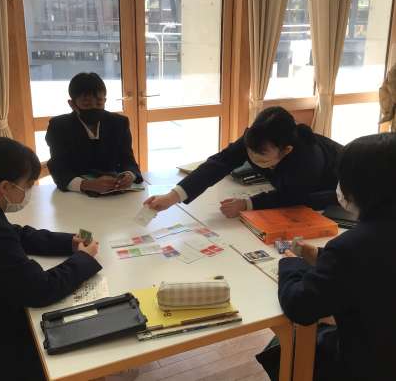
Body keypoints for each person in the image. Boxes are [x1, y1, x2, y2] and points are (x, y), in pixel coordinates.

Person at [258, 133, 396, 381]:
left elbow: (301, 307)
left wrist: (291, 262)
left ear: (360, 187)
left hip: (366, 363)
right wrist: (321, 256)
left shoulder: (350, 246)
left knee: (287, 344)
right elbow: (376, 265)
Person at [0, 137, 102, 381]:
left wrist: (69, 241)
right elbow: (39, 290)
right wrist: (84, 259)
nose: (29, 192)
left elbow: (17, 233)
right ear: (5, 187)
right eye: (27, 184)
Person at [144, 106, 342, 216]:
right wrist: (172, 197)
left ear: (286, 150)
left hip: (335, 190)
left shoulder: (308, 158)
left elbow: (291, 197)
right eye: (250, 152)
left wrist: (248, 203)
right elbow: (218, 164)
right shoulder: (256, 139)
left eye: (261, 155)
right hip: (298, 191)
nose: (253, 157)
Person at [46, 72, 142, 195]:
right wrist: (85, 185)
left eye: (99, 103)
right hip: (75, 196)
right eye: (86, 104)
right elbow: (58, 166)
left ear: (105, 100)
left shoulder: (119, 123)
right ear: (72, 104)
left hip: (115, 192)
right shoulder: (59, 126)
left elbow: (128, 159)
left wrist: (129, 175)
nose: (94, 107)